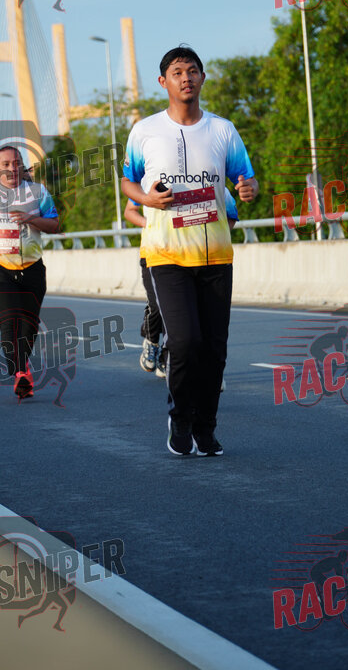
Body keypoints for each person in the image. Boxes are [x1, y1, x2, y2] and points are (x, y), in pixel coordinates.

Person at [121, 46, 258, 457]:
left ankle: (205, 428)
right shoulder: (145, 131)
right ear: (163, 81)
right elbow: (127, 183)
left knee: (214, 350)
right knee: (184, 342)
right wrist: (147, 198)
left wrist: (248, 189)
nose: (186, 78)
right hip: (166, 255)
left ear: (202, 78)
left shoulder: (223, 130)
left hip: (216, 255)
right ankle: (180, 417)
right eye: (178, 72)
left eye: (193, 70)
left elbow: (246, 180)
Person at [0, 145, 59, 399]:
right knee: (9, 320)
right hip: (0, 266)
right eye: (6, 164)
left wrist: (30, 219)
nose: (12, 168)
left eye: (16, 163)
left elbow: (54, 224)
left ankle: (21, 367)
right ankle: (20, 373)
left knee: (29, 325)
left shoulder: (38, 192)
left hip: (32, 267)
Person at [125, 188, 239, 386]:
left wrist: (215, 235)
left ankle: (205, 370)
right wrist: (153, 224)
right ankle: (152, 340)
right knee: (158, 306)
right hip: (159, 255)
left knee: (198, 320)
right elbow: (130, 210)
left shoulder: (212, 180)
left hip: (202, 258)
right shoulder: (151, 181)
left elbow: (230, 215)